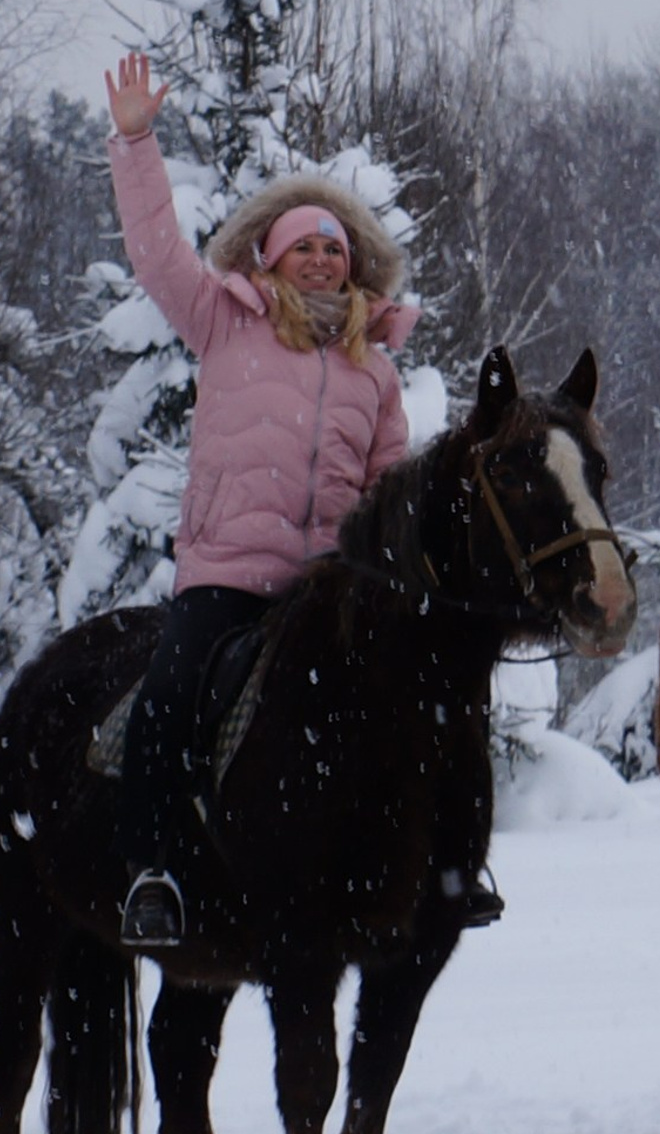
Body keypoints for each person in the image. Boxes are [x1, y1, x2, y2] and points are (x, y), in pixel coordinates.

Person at [101, 48, 427, 951]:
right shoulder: (223, 322)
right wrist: (136, 142)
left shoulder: (376, 370)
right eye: (304, 247)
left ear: (354, 265)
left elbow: (386, 490)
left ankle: (441, 865)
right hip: (229, 573)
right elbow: (157, 250)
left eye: (334, 247)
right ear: (273, 260)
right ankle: (154, 871)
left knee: (419, 698)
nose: (321, 258)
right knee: (167, 696)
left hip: (329, 589)